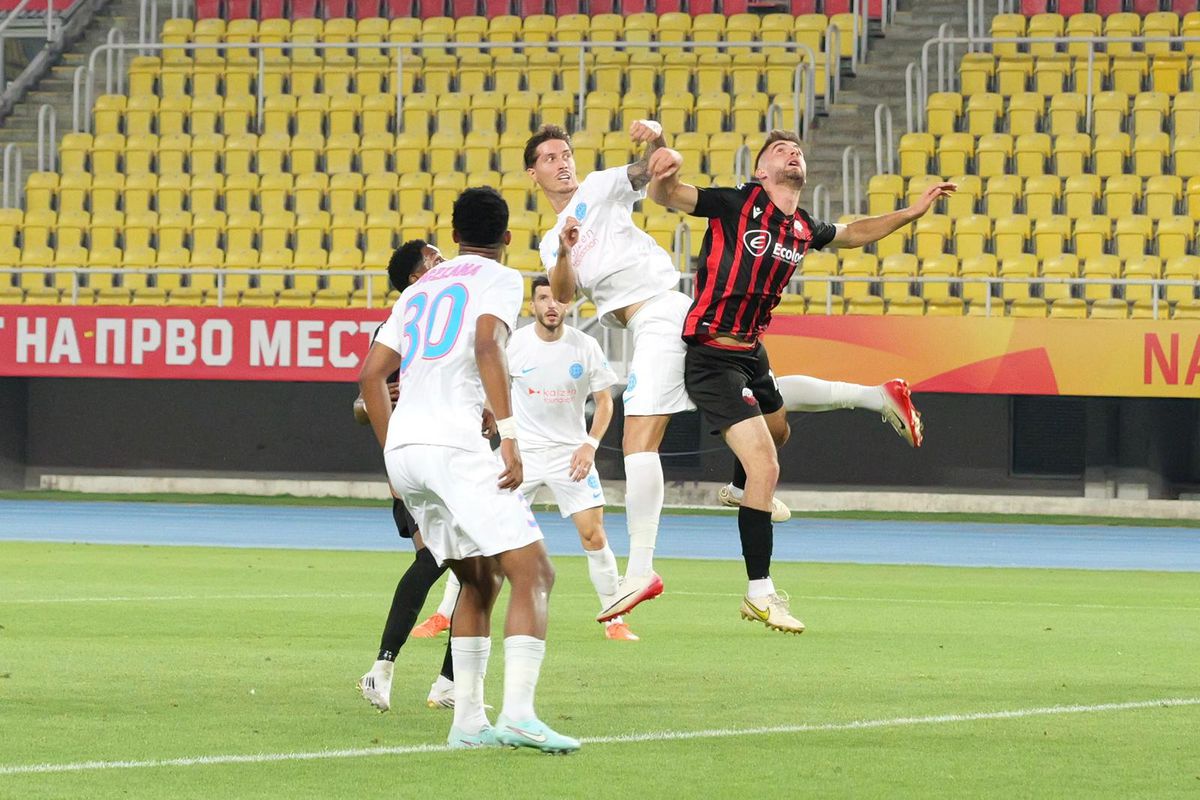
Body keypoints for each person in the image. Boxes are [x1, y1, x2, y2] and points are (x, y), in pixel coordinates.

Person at [525, 122, 928, 623]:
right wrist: (565, 248)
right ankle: (866, 403)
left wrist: (656, 141)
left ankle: (642, 570)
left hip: (663, 314)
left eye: (565, 153)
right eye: (549, 158)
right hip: (661, 324)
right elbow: (562, 294)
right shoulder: (548, 242)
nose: (562, 162)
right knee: (771, 420)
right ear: (532, 173)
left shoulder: (597, 186)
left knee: (638, 442)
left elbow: (654, 172)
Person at [647, 129, 956, 635]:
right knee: (766, 461)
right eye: (780, 151)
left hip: (750, 350)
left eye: (798, 151)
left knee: (779, 431)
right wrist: (661, 173)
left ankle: (739, 489)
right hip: (712, 354)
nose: (794, 154)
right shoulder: (735, 203)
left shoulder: (801, 228)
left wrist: (910, 213)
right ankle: (759, 594)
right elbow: (671, 196)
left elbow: (855, 232)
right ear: (762, 172)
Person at [359, 187, 579, 753]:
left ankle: (469, 722)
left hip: (407, 451)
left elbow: (370, 377)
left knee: (478, 578)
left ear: (453, 235)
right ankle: (522, 714)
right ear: (507, 239)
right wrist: (509, 437)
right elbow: (487, 344)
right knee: (536, 573)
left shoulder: (419, 288)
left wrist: (391, 456)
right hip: (455, 445)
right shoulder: (499, 277)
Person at [356, 240, 458, 712]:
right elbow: (362, 401)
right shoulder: (400, 323)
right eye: (433, 260)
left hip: (453, 454)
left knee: (461, 566)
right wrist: (390, 449)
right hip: (419, 461)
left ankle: (395, 672)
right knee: (467, 566)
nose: (442, 263)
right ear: (417, 279)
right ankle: (437, 680)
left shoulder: (451, 316)